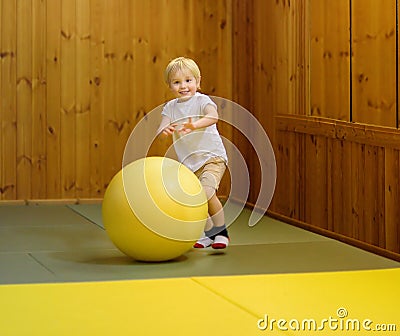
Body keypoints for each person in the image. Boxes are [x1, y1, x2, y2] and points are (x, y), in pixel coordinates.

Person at [156, 56, 229, 249]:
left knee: (205, 193)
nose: (183, 86)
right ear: (169, 85)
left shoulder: (202, 100)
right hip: (190, 164)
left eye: (188, 80)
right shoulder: (170, 107)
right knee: (194, 200)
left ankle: (221, 233)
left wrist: (194, 125)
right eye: (177, 82)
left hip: (212, 158)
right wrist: (165, 130)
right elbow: (161, 128)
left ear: (197, 81)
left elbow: (213, 116)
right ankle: (208, 234)